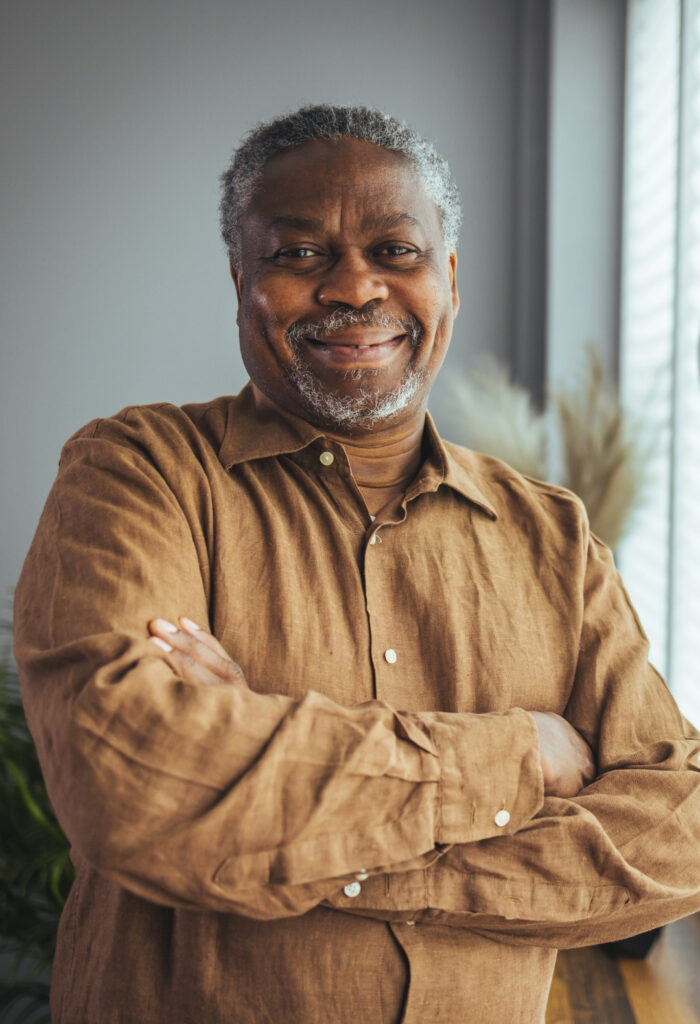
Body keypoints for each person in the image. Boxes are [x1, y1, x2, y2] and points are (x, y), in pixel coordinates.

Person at [14, 104, 700, 1024]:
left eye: (396, 251)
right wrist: (513, 758)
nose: (353, 288)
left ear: (448, 278)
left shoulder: (554, 540)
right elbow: (133, 789)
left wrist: (310, 841)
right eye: (299, 255)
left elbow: (679, 832)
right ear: (239, 278)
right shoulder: (138, 475)